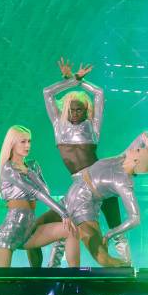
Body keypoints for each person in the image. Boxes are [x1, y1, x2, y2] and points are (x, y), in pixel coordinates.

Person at [31, 58, 129, 267]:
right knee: (55, 224)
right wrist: (71, 79)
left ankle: (126, 265)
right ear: (66, 108)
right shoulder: (59, 125)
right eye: (72, 110)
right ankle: (47, 270)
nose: (75, 114)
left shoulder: (93, 127)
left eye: (80, 110)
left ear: (87, 110)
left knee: (114, 223)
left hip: (99, 176)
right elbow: (47, 93)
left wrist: (81, 81)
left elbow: (99, 94)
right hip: (79, 184)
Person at [63, 131, 148, 267]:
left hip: (84, 206)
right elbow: (143, 135)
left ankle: (126, 271)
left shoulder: (124, 183)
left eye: (138, 150)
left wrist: (110, 233)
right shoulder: (120, 159)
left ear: (136, 161)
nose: (134, 148)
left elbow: (135, 218)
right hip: (72, 193)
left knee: (101, 256)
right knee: (35, 229)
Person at [0, 125, 79, 267]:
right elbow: (35, 193)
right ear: (12, 143)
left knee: (71, 230)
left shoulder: (33, 166)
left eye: (29, 141)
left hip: (30, 230)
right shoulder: (8, 168)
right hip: (10, 232)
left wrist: (29, 172)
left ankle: (75, 279)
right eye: (23, 141)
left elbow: (45, 191)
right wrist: (63, 213)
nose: (27, 145)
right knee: (0, 284)